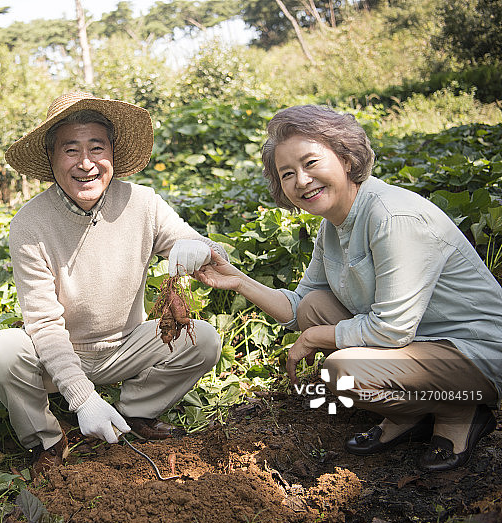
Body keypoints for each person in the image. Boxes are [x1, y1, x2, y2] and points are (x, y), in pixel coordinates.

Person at [194, 104, 501, 472]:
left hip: (472, 351)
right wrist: (237, 280)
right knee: (314, 307)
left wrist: (315, 337)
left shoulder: (392, 216)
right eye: (287, 173)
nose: (301, 181)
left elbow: (391, 330)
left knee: (345, 371)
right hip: (419, 344)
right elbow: (299, 307)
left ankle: (460, 411)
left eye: (310, 163)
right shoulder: (334, 225)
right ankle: (411, 414)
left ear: (346, 157)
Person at [0, 91, 224, 476]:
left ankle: (136, 412)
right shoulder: (29, 224)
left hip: (126, 345)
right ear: (51, 157)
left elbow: (201, 245)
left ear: (112, 153)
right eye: (70, 150)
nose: (86, 163)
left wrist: (198, 247)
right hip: (60, 352)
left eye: (97, 148)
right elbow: (44, 324)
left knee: (205, 340)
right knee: (2, 351)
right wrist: (84, 400)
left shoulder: (143, 203)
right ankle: (48, 440)